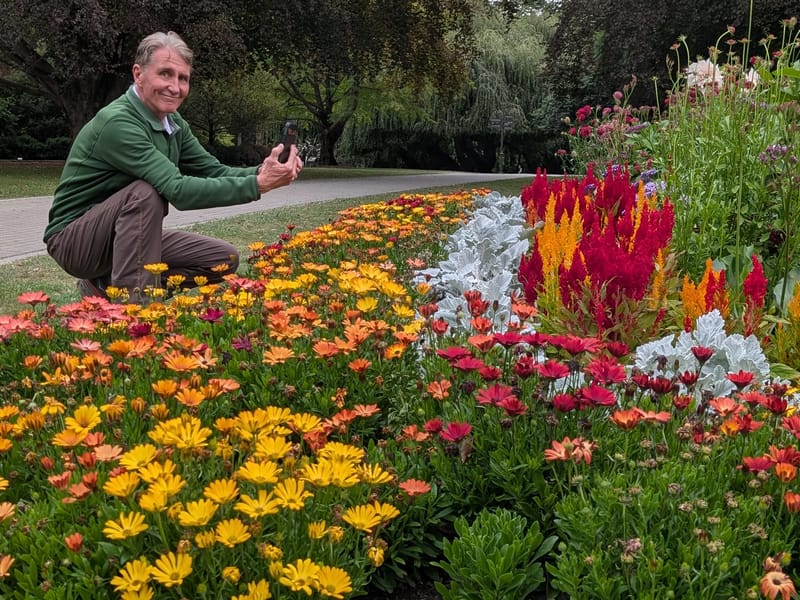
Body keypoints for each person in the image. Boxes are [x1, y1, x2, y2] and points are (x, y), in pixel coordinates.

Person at [43, 31, 302, 303]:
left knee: (222, 260)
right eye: (165, 74)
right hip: (74, 243)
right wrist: (258, 185)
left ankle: (104, 289)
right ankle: (135, 316)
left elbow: (212, 170)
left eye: (183, 78)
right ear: (138, 74)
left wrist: (265, 171)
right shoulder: (118, 123)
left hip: (123, 235)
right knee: (144, 193)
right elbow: (177, 189)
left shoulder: (172, 122)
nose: (175, 87)